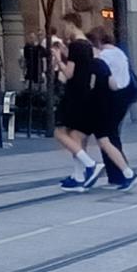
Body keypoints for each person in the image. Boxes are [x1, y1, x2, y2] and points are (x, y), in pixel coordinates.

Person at [52, 11, 101, 190]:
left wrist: (58, 59)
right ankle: (78, 175)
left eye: (64, 26)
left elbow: (69, 73)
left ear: (71, 25)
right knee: (75, 136)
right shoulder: (87, 45)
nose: (63, 30)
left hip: (74, 95)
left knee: (59, 132)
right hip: (85, 93)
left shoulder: (75, 46)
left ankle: (90, 164)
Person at [90, 27, 137, 190]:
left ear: (97, 41)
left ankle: (122, 175)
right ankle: (119, 174)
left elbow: (99, 79)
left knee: (106, 138)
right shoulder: (119, 53)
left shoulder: (103, 56)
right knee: (112, 136)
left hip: (109, 99)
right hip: (123, 98)